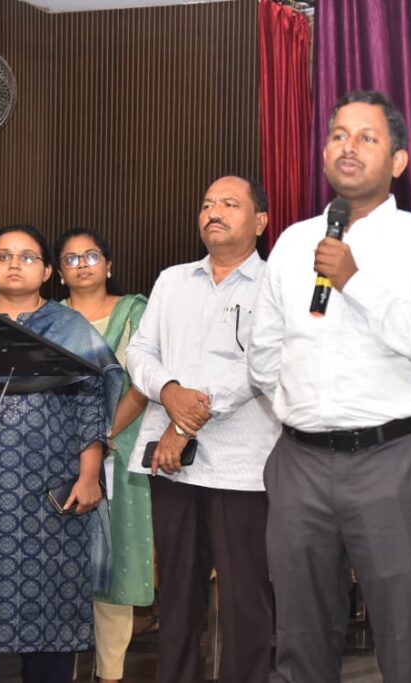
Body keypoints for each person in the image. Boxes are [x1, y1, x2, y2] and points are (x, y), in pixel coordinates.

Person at [248, 89, 411, 683]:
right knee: (299, 637)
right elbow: (264, 353)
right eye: (339, 135)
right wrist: (299, 408)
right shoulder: (293, 242)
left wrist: (355, 281)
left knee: (401, 638)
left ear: (398, 161)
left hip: (389, 460)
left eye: (367, 137)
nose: (349, 146)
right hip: (300, 463)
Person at [126, 175, 278, 683]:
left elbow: (262, 367)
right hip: (170, 464)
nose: (214, 211)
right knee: (176, 596)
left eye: (230, 204)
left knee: (245, 598)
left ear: (260, 221)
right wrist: (168, 390)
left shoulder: (275, 285)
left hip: (242, 466)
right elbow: (139, 351)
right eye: (208, 203)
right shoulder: (172, 280)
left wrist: (187, 420)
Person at [0, 224, 121, 683]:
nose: (14, 264)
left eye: (27, 257)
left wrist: (89, 476)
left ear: (48, 272)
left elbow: (92, 402)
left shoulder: (69, 328)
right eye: (3, 256)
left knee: (51, 606)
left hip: (50, 493)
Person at [56, 228, 153, 683]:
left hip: (120, 448)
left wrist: (102, 432)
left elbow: (144, 381)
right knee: (60, 564)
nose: (82, 264)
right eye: (71, 259)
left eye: (91, 256)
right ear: (58, 273)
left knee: (116, 565)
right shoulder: (48, 318)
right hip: (55, 453)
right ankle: (62, 668)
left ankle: (110, 673)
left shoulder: (135, 312)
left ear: (109, 265)